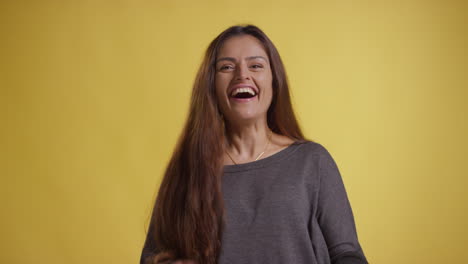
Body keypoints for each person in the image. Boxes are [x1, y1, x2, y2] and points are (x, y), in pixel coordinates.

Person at [140, 24, 368, 264]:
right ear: (211, 86)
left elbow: (347, 255)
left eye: (256, 65)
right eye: (226, 67)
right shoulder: (187, 169)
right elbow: (153, 258)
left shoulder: (313, 162)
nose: (242, 75)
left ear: (274, 81)